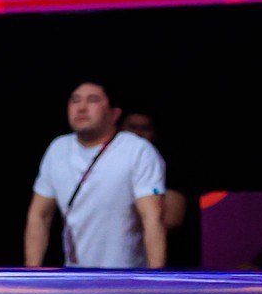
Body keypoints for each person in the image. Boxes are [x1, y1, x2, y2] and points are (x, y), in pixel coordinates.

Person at [25, 82, 168, 269]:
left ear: (114, 114)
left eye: (92, 100)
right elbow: (40, 216)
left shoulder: (137, 150)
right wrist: (32, 274)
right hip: (75, 274)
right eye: (75, 100)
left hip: (126, 274)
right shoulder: (58, 149)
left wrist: (155, 277)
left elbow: (152, 218)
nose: (81, 108)